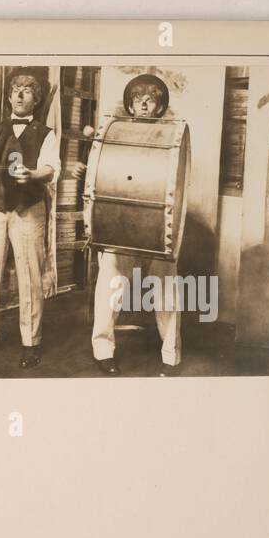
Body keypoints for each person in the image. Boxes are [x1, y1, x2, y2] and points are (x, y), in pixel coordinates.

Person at [78, 73, 190, 376]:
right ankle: (103, 349)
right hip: (119, 222)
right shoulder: (113, 133)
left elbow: (175, 184)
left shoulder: (172, 138)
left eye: (151, 97)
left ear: (159, 106)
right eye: (138, 96)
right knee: (110, 282)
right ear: (129, 104)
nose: (144, 101)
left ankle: (171, 354)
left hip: (157, 223)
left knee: (166, 285)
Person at [0, 68, 60, 369]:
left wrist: (32, 175)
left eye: (27, 90)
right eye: (16, 89)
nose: (20, 94)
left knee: (30, 277)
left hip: (28, 208)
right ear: (9, 97)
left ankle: (31, 343)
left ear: (35, 99)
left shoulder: (46, 134)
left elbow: (51, 168)